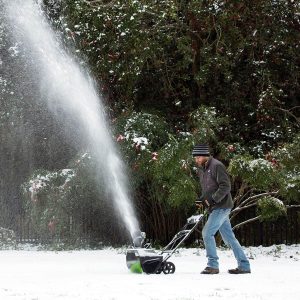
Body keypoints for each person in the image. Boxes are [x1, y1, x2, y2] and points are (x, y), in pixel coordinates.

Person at [192, 143, 251, 274]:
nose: (196, 160)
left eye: (198, 157)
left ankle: (213, 265)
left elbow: (225, 186)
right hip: (215, 207)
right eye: (195, 158)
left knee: (207, 233)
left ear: (205, 155)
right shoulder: (202, 169)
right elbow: (208, 189)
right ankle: (244, 265)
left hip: (222, 206)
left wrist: (213, 199)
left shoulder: (217, 166)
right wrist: (202, 199)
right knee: (229, 238)